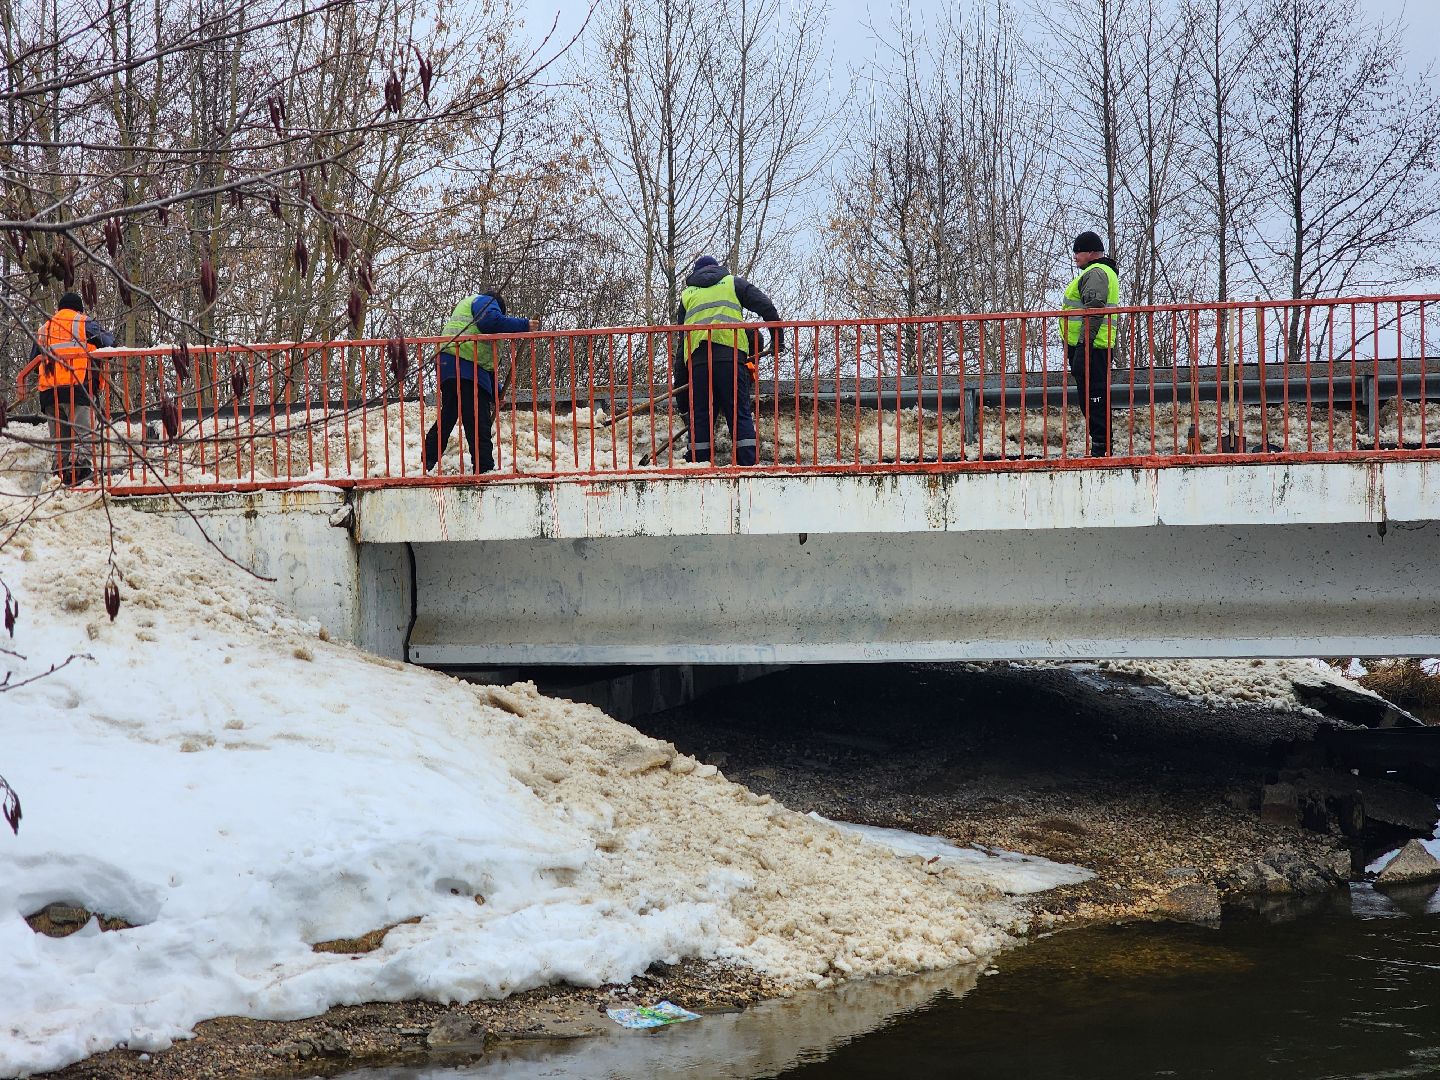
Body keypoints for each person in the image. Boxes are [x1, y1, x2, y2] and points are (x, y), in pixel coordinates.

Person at [671, 255, 782, 466]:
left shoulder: (687, 295)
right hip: (730, 359)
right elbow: (766, 306)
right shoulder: (733, 283)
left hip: (698, 364)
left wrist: (683, 399)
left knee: (701, 415)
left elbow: (682, 343)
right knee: (738, 412)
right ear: (718, 268)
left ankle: (698, 464)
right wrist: (778, 338)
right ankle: (747, 465)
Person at [423, 289, 530, 474]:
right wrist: (525, 325)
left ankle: (427, 462)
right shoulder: (486, 301)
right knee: (477, 419)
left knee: (448, 414)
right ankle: (484, 468)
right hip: (465, 367)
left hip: (448, 365)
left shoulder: (469, 308)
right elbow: (490, 321)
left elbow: (486, 366)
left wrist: (496, 393)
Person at [24, 292, 115, 484]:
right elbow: (110, 344)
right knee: (82, 434)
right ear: (79, 308)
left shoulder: (44, 328)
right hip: (78, 388)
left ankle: (61, 475)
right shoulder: (83, 322)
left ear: (59, 309)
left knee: (59, 439)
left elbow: (33, 363)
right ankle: (82, 473)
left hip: (50, 393)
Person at [1060, 231, 1120, 457]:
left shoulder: (1096, 273)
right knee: (1093, 396)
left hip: (1092, 346)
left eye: (1079, 251)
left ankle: (1101, 448)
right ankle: (1101, 446)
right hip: (1092, 345)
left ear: (1092, 252)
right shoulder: (1099, 272)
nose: (1075, 255)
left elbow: (1093, 312)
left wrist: (1083, 347)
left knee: (1094, 397)